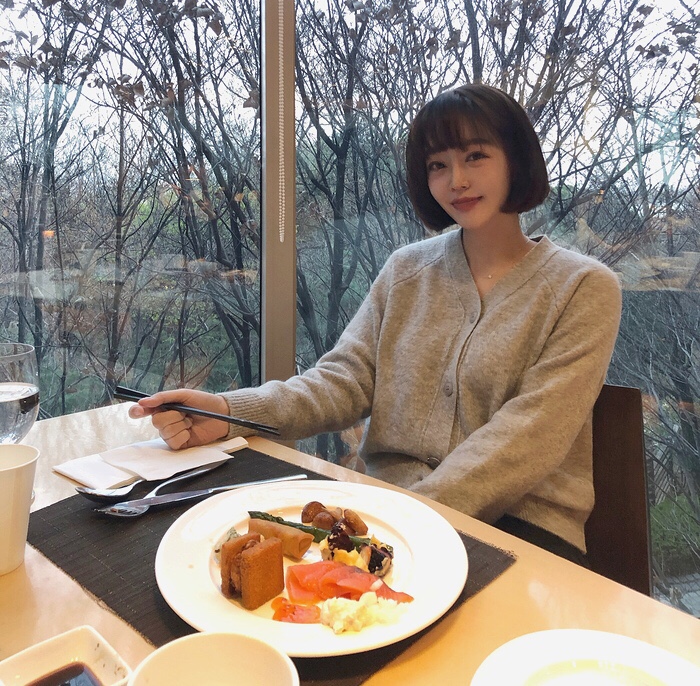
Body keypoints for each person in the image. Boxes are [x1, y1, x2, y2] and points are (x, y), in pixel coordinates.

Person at [129, 84, 621, 565]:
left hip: (522, 533)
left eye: (475, 156)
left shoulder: (584, 287)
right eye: (437, 165)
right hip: (389, 512)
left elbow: (530, 435)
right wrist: (227, 411)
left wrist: (409, 519)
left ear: (516, 158)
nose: (456, 180)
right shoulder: (406, 270)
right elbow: (343, 381)